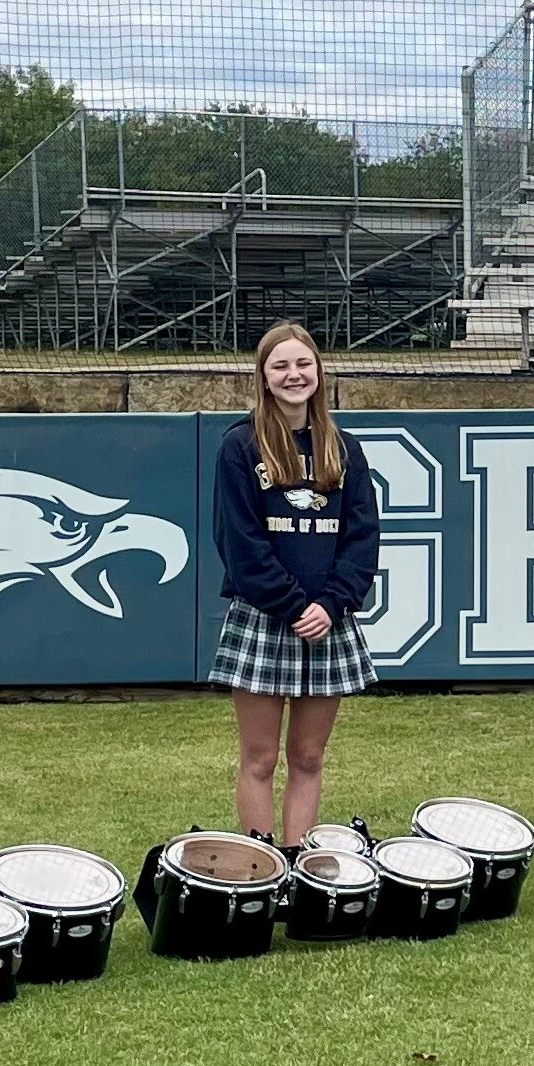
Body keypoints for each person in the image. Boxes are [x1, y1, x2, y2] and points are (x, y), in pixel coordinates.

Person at [212, 320, 381, 836]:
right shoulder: (239, 447)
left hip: (326, 622)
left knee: (308, 758)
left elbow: (362, 538)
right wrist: (291, 606)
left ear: (319, 371)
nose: (293, 374)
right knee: (259, 759)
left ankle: (300, 868)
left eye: (303, 363)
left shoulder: (344, 448)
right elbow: (241, 546)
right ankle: (263, 870)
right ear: (263, 376)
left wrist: (331, 605)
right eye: (280, 365)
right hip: (265, 618)